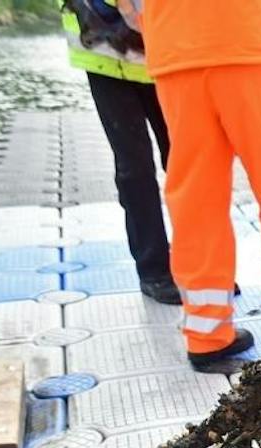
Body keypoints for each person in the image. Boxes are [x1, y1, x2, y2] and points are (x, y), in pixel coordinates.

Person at [118, 0, 261, 371]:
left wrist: (167, 27)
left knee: (196, 201)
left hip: (175, 54)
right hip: (247, 44)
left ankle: (206, 334)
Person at [59, 1, 177, 304]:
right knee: (134, 168)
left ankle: (202, 267)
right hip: (106, 53)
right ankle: (154, 272)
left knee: (185, 162)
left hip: (168, 53)